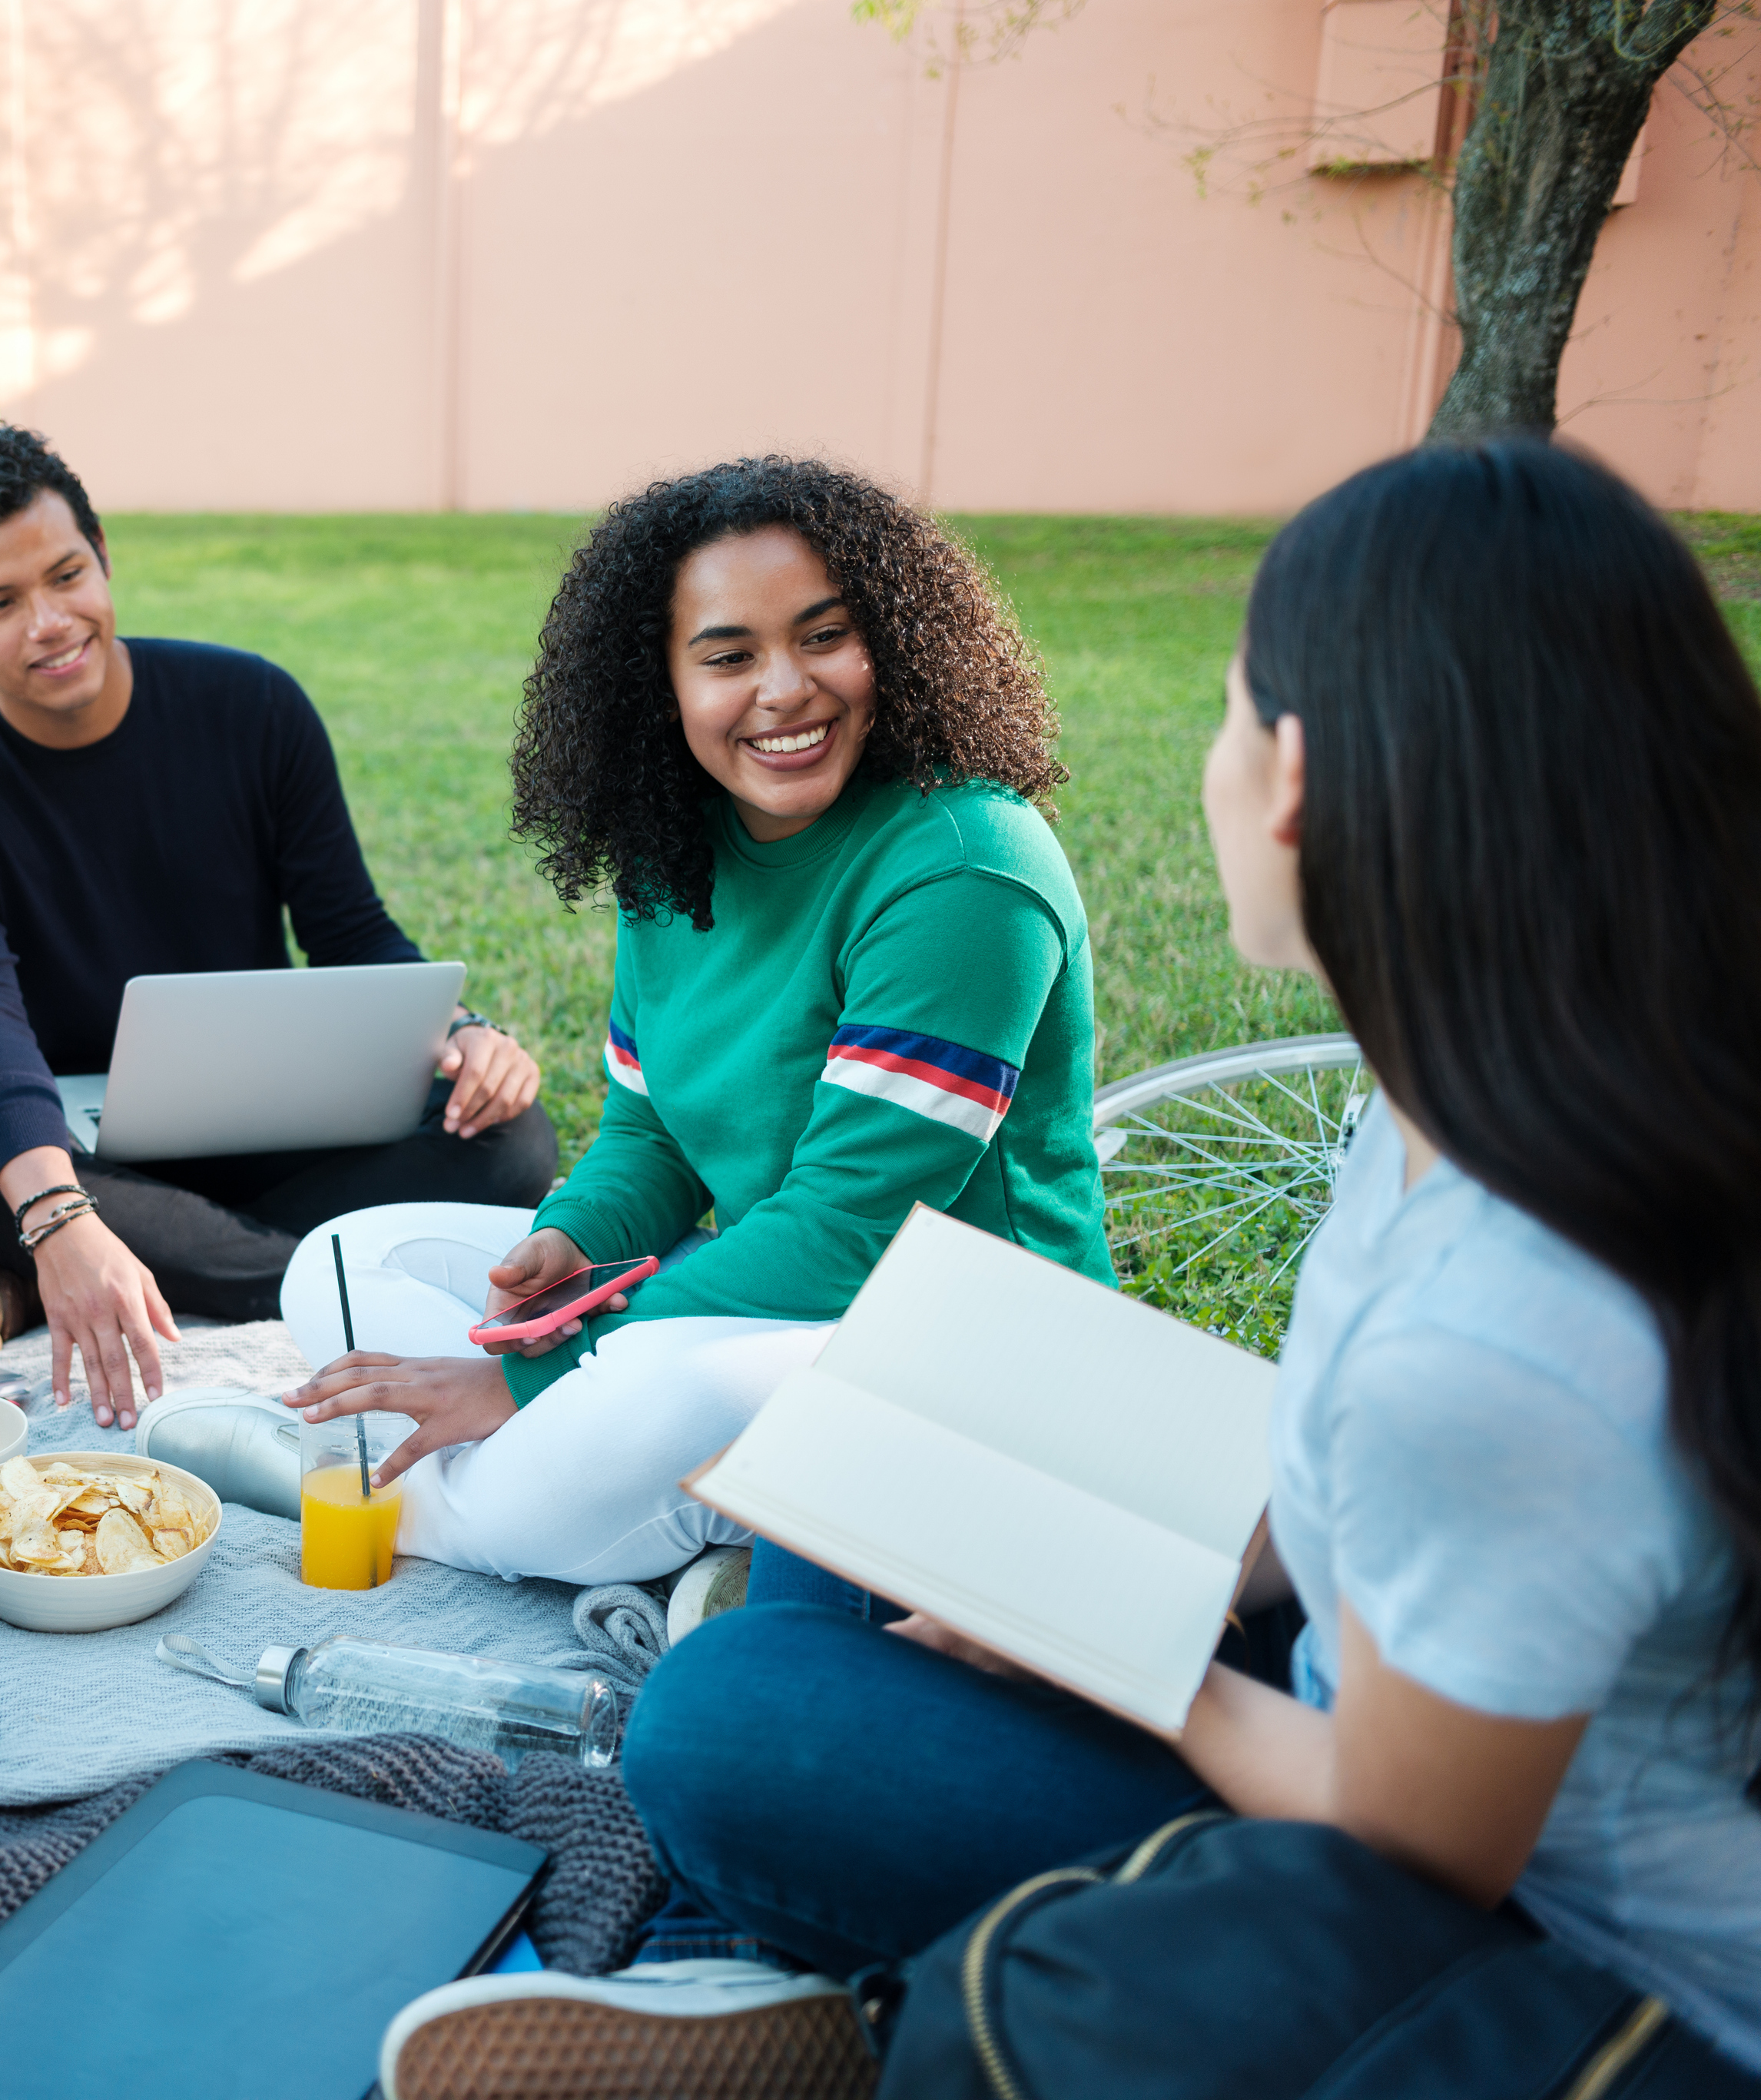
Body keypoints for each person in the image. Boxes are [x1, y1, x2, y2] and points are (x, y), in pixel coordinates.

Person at [393, 437, 1761, 2088]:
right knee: (863, 1498)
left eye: (1230, 705)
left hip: (1538, 1945)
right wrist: (1082, 1559)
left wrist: (1118, 1639)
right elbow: (1342, 1481)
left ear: (1301, 780)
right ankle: (781, 1967)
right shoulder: (1476, 1101)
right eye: (725, 652)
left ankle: (797, 1991)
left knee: (724, 1717)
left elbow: (1422, 1839)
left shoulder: (1502, 1327)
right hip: (1349, 1661)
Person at [290, 456, 1110, 1584]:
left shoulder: (967, 870)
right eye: (729, 656)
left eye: (825, 637)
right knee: (343, 1258)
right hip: (782, 1299)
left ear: (898, 640)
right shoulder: (676, 851)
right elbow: (655, 1133)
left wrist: (529, 1377)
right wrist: (571, 1240)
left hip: (963, 1356)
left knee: (649, 1391)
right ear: (658, 684)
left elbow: (845, 1229)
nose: (785, 690)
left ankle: (375, 1489)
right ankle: (629, 1501)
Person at [0, 424, 557, 1425]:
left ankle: (194, 1266)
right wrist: (62, 1213)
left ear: (104, 552)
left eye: (68, 575)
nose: (51, 621)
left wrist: (463, 1037)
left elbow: (350, 929)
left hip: (285, 1116)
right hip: (103, 1151)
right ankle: (320, 1275)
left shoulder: (253, 706)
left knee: (511, 1140)